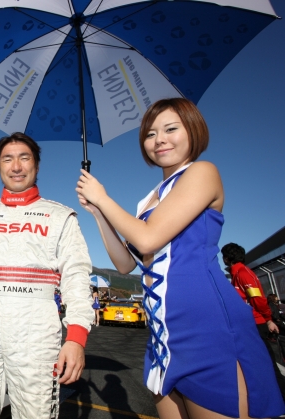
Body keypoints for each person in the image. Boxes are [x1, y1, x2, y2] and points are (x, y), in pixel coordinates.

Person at [76, 98, 284, 419]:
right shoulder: (148, 200)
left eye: (170, 129)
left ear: (193, 131)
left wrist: (104, 197)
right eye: (150, 134)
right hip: (163, 332)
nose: (159, 139)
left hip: (205, 325)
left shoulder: (202, 172)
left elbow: (148, 238)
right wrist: (97, 212)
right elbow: (126, 264)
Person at [0, 132, 93, 419]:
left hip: (37, 327)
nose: (16, 166)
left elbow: (76, 279)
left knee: (36, 413)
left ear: (36, 165)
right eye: (7, 159)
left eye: (24, 158)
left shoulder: (60, 216)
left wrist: (76, 338)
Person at [221, 242, 285, 399]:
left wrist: (268, 319)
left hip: (256, 324)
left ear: (227, 258)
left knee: (267, 362)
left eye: (224, 256)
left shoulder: (243, 274)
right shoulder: (238, 274)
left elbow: (258, 299)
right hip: (250, 324)